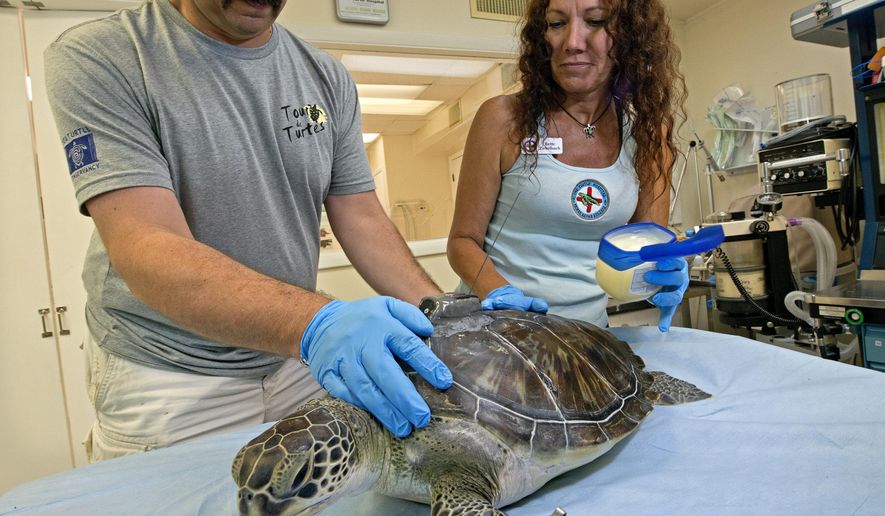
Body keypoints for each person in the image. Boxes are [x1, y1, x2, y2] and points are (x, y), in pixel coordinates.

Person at [44, 0, 452, 462]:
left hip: (293, 360)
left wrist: (445, 311)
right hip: (170, 370)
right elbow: (146, 242)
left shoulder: (324, 76)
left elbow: (360, 215)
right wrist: (318, 321)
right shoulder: (107, 55)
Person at [448, 0, 689, 331]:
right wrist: (501, 294)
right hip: (497, 331)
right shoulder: (504, 120)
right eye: (557, 24)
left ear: (630, 37)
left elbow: (644, 249)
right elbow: (463, 242)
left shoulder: (648, 134)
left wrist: (664, 272)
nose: (572, 42)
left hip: (586, 339)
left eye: (596, 21)